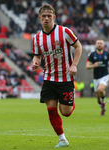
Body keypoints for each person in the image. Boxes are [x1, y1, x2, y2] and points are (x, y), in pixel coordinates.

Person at [31, 4, 82, 148]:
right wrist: (35, 63)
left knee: (65, 112)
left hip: (65, 78)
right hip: (48, 79)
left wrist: (74, 65)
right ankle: (62, 139)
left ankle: (71, 100)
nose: (46, 18)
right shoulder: (37, 38)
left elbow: (78, 46)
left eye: (49, 16)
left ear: (54, 17)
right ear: (40, 18)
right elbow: (37, 56)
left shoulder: (65, 31)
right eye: (44, 16)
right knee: (51, 111)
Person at [86, 40, 109, 116]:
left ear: (103, 45)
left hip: (105, 75)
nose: (99, 44)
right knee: (97, 95)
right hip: (96, 78)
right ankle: (102, 107)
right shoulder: (92, 55)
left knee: (100, 89)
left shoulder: (107, 54)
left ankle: (103, 103)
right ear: (95, 45)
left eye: (101, 43)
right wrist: (93, 66)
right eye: (98, 43)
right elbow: (87, 66)